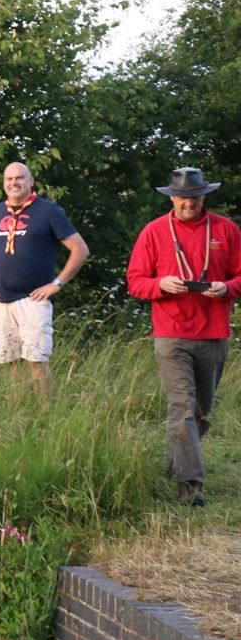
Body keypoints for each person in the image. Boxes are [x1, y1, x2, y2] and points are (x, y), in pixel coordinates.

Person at [125, 166, 238, 507]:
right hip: (171, 334)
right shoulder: (154, 231)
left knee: (201, 410)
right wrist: (159, 284)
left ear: (205, 196)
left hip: (214, 331)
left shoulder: (225, 229)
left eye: (195, 197)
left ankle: (176, 463)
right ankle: (191, 486)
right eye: (183, 197)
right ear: (172, 197)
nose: (189, 203)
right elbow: (134, 281)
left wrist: (227, 287)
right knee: (182, 407)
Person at [0, 161, 89, 399]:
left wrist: (57, 283)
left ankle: (45, 415)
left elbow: (80, 249)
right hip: (1, 301)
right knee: (10, 362)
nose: (14, 183)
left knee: (36, 362)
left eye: (19, 178)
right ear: (4, 184)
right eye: (9, 179)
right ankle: (19, 413)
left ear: (31, 181)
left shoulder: (49, 211)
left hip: (32, 300)